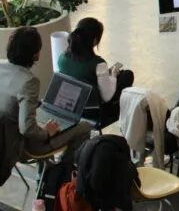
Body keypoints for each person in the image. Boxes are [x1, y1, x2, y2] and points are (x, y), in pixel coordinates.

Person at [0, 27, 92, 165]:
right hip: (19, 145)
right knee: (84, 126)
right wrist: (47, 131)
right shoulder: (28, 81)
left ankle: (48, 170)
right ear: (36, 54)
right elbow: (27, 129)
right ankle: (63, 172)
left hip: (4, 138)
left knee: (42, 111)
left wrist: (35, 104)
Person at [58, 17, 135, 106]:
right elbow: (106, 97)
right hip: (93, 108)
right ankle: (115, 107)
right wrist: (113, 75)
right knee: (127, 75)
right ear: (94, 40)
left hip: (71, 103)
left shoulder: (62, 57)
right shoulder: (98, 63)